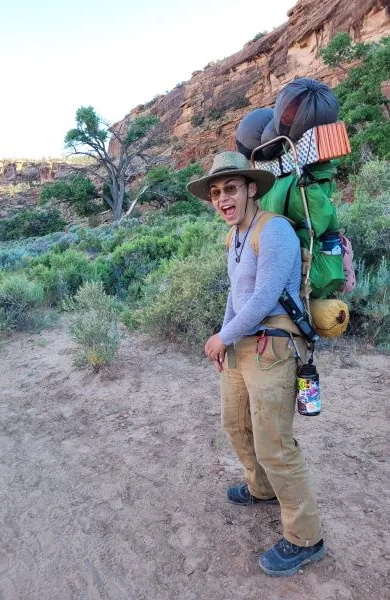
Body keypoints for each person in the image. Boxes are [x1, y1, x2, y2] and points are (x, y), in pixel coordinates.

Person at [187, 151, 324, 577]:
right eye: (215, 193)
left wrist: (222, 336)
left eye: (230, 189)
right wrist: (224, 340)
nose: (222, 199)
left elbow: (265, 297)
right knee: (236, 425)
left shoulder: (276, 230)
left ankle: (306, 538)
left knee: (275, 444)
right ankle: (260, 487)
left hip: (274, 348)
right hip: (241, 346)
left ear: (251, 189)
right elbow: (236, 295)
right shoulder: (235, 237)